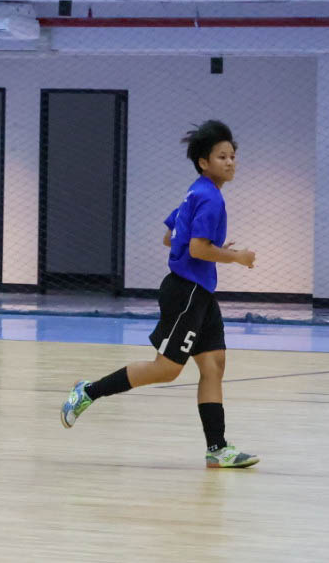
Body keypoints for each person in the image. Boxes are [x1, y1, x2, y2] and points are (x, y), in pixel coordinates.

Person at [60, 121, 259, 469]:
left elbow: (170, 237)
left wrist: (214, 249)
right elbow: (196, 249)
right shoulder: (210, 198)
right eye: (222, 156)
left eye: (232, 156)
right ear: (204, 162)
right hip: (187, 293)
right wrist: (236, 257)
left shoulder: (197, 192)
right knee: (166, 370)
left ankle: (217, 448)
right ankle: (88, 392)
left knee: (214, 365)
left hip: (201, 293)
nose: (230, 162)